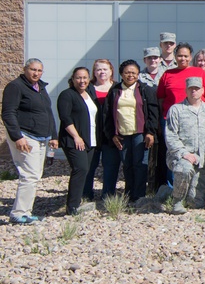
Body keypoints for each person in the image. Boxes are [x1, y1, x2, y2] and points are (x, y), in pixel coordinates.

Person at [156, 42, 205, 193]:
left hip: (197, 118)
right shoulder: (167, 74)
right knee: (175, 153)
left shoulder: (198, 72)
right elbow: (161, 98)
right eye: (179, 56)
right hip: (173, 120)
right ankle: (173, 189)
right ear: (175, 57)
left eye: (185, 56)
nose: (182, 58)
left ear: (190, 57)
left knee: (198, 152)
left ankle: (196, 188)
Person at [2, 59, 58, 224]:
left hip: (41, 136)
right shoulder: (16, 86)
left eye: (39, 70)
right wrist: (17, 136)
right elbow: (8, 113)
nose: (36, 73)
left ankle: (26, 211)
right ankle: (18, 214)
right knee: (30, 174)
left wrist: (53, 135)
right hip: (26, 136)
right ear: (25, 69)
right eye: (33, 70)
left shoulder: (40, 87)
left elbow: (47, 112)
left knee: (35, 175)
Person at [104, 59, 159, 203]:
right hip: (122, 133)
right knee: (127, 165)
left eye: (134, 73)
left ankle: (139, 196)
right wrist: (112, 135)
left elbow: (153, 112)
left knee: (140, 164)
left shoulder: (145, 90)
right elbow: (107, 114)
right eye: (127, 72)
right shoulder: (115, 90)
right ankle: (129, 195)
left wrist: (150, 132)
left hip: (140, 133)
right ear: (121, 74)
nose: (130, 75)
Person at [164, 77, 205, 214]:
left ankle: (167, 192)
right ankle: (176, 201)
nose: (194, 91)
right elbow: (170, 136)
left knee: (196, 203)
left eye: (197, 88)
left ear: (203, 91)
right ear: (186, 91)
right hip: (180, 158)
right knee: (184, 170)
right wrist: (184, 154)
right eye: (191, 89)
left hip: (202, 162)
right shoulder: (176, 110)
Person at [57, 67, 99, 216]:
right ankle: (72, 206)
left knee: (85, 171)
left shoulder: (89, 94)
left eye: (85, 78)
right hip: (74, 140)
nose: (82, 81)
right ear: (73, 79)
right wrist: (76, 136)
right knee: (80, 169)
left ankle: (78, 200)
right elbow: (65, 117)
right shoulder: (67, 95)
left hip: (90, 140)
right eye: (79, 78)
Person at [86, 59, 115, 200]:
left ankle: (108, 196)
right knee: (89, 167)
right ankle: (86, 195)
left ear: (111, 71)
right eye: (98, 69)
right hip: (91, 134)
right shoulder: (87, 88)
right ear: (94, 72)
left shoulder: (117, 88)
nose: (102, 72)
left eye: (105, 69)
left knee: (110, 166)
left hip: (111, 135)